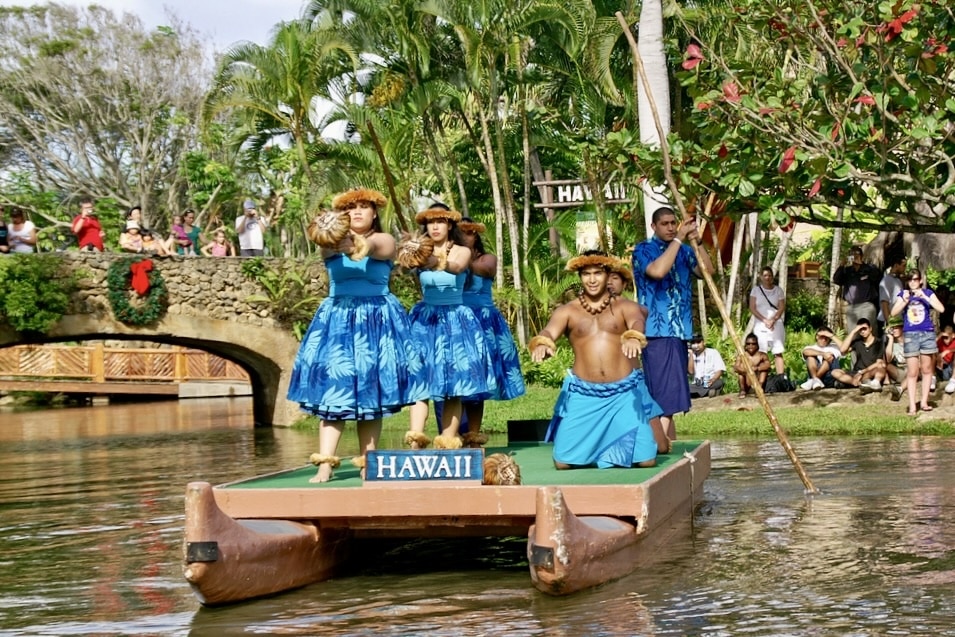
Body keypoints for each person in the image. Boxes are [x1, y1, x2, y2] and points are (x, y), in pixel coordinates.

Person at [288, 188, 428, 482]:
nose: (357, 212)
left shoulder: (385, 239)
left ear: (374, 213)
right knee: (333, 392)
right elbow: (328, 246)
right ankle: (325, 464)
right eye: (351, 208)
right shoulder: (330, 243)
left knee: (370, 395)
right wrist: (333, 235)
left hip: (376, 320)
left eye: (364, 207)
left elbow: (376, 248)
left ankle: (368, 463)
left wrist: (353, 243)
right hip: (338, 320)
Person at [531, 252, 668, 469]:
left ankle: (611, 452)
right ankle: (605, 453)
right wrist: (542, 342)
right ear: (580, 276)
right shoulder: (567, 311)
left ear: (608, 275)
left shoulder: (625, 306)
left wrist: (633, 337)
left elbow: (637, 322)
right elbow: (549, 331)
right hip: (584, 394)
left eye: (597, 273)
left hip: (623, 394)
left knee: (646, 461)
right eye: (586, 274)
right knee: (563, 463)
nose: (592, 279)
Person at [402, 206, 497, 450]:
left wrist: (431, 258)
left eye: (441, 222)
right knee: (420, 381)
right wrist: (408, 250)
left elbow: (456, 267)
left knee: (454, 384)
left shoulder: (462, 251)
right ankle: (416, 440)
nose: (435, 227)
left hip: (455, 319)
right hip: (425, 321)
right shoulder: (421, 250)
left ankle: (447, 440)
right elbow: (402, 264)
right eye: (430, 222)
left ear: (450, 225)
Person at [632, 207, 714, 441]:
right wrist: (679, 238)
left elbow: (708, 272)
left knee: (671, 391)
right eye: (665, 224)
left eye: (673, 223)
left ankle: (669, 442)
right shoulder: (643, 250)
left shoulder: (685, 250)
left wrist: (697, 242)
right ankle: (658, 444)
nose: (670, 228)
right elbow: (657, 271)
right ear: (654, 226)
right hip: (656, 332)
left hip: (679, 332)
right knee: (664, 393)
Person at [454, 216, 525, 444]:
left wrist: (456, 257)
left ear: (476, 235)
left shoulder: (487, 258)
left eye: (470, 232)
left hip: (483, 322)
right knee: (456, 378)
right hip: (456, 323)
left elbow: (484, 270)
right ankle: (451, 435)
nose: (466, 236)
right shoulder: (450, 256)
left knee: (478, 379)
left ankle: (473, 435)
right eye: (461, 232)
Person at [891, 268, 945, 415]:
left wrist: (925, 297)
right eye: (910, 280)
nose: (913, 282)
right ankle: (912, 405)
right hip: (910, 334)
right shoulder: (904, 294)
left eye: (915, 279)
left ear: (920, 280)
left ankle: (924, 402)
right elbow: (893, 312)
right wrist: (905, 300)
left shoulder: (928, 292)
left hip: (927, 333)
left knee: (927, 369)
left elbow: (941, 308)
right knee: (912, 371)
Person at [832, 245, 881, 333]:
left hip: (866, 305)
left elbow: (877, 277)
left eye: (857, 254)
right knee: (853, 333)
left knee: (868, 331)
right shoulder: (847, 271)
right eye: (852, 254)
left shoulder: (869, 268)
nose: (855, 256)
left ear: (861, 256)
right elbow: (836, 280)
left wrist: (861, 264)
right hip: (852, 307)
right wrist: (842, 265)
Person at [830, 318, 886, 393]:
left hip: (868, 372)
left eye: (864, 328)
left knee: (881, 367)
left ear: (870, 328)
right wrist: (853, 331)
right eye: (860, 329)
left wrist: (862, 372)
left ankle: (852, 383)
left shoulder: (879, 342)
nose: (862, 331)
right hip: (856, 372)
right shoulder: (857, 342)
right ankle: (855, 383)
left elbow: (879, 363)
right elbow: (843, 350)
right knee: (834, 372)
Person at [749, 267, 787, 375]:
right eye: (765, 275)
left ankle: (780, 377)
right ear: (761, 277)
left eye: (769, 275)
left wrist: (773, 320)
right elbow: (752, 307)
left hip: (775, 323)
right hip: (760, 323)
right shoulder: (756, 290)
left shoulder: (778, 290)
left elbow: (781, 307)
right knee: (761, 351)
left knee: (778, 351)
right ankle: (760, 377)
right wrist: (764, 320)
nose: (767, 278)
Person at [687, 333, 726, 398]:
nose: (696, 345)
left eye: (698, 342)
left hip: (710, 382)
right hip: (696, 384)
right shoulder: (690, 355)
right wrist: (691, 354)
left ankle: (699, 393)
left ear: (703, 342)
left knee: (719, 382)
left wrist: (713, 380)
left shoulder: (713, 352)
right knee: (685, 386)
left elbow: (720, 370)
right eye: (693, 343)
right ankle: (707, 392)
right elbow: (691, 372)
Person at [733, 333, 771, 397]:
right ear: (746, 345)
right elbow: (736, 367)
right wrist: (746, 371)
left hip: (759, 381)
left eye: (753, 344)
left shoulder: (762, 355)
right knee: (741, 367)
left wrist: (757, 368)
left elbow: (768, 365)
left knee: (763, 367)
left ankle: (759, 389)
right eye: (748, 344)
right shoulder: (742, 356)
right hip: (747, 382)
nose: (751, 346)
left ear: (757, 345)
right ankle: (742, 390)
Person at [879, 256, 907, 334]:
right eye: (903, 265)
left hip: (899, 321)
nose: (905, 268)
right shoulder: (886, 280)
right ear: (896, 265)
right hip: (891, 322)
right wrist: (890, 323)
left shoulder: (898, 280)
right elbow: (884, 303)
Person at [884, 315, 907, 400]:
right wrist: (890, 339)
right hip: (899, 372)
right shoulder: (892, 344)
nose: (894, 330)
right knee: (885, 365)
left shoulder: (910, 341)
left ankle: (900, 389)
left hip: (912, 371)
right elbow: (888, 359)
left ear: (902, 328)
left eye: (896, 328)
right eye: (892, 328)